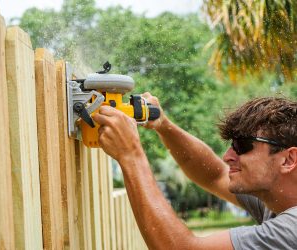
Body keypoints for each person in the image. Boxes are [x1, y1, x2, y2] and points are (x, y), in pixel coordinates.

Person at [92, 94, 297, 250]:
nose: (228, 156)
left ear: (288, 159)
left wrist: (131, 155)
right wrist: (164, 125)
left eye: (242, 146)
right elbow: (213, 174)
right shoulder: (277, 202)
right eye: (231, 144)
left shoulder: (291, 230)